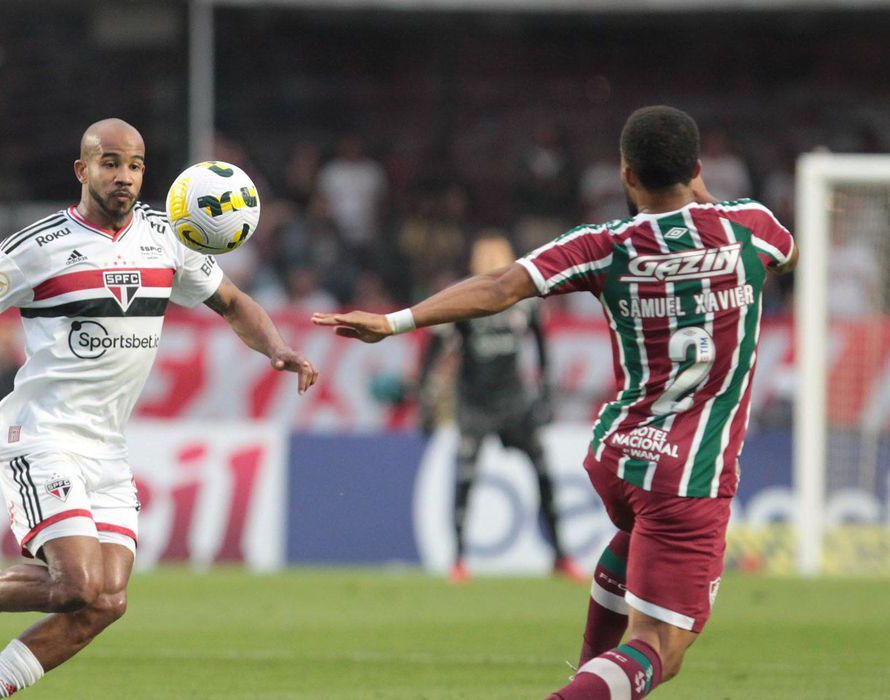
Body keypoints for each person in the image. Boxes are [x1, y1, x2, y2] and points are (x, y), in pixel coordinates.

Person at [313, 106, 796, 699]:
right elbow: (783, 250)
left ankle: (585, 681)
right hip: (688, 475)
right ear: (698, 168)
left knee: (630, 550)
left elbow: (498, 288)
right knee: (658, 651)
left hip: (617, 456)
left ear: (626, 176)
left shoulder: (606, 243)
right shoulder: (751, 226)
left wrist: (393, 322)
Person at [0, 118, 318, 699]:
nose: (123, 176)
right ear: (83, 170)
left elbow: (233, 304)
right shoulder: (37, 249)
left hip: (106, 446)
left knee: (107, 601)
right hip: (41, 433)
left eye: (134, 165)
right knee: (75, 585)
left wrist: (276, 347)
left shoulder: (168, 237)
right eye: (110, 163)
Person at [420, 233, 586, 585]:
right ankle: (459, 560)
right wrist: (427, 397)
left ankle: (560, 554)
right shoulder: (466, 296)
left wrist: (544, 394)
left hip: (515, 401)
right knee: (466, 478)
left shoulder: (524, 300)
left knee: (544, 474)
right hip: (475, 402)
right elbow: (435, 348)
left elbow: (542, 347)